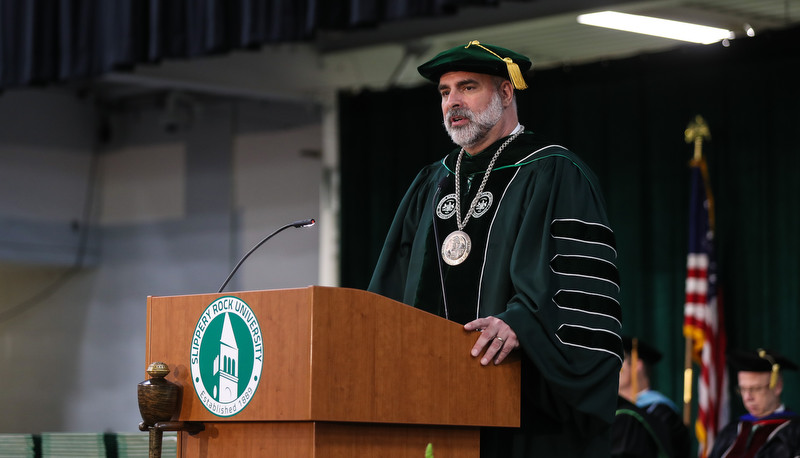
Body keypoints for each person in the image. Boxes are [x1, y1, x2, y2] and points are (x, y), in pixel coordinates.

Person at [368, 40, 623, 457]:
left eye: (468, 87)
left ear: (506, 93)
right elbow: (392, 288)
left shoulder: (555, 172)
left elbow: (582, 294)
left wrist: (523, 324)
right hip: (431, 408)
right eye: (445, 92)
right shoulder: (430, 183)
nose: (453, 102)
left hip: (525, 417)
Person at [708, 348, 800, 458]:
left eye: (756, 389)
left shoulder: (795, 433)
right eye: (743, 389)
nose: (748, 397)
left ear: (777, 386)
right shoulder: (730, 431)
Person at [616, 336, 691, 458]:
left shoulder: (662, 414)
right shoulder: (613, 411)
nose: (612, 369)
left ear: (637, 365)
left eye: (619, 361)